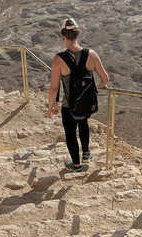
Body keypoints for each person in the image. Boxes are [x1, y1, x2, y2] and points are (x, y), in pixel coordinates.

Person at [47, 18, 110, 171]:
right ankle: (86, 154)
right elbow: (105, 79)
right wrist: (92, 89)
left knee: (70, 133)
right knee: (83, 123)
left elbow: (54, 88)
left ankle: (76, 165)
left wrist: (51, 107)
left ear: (63, 37)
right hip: (86, 103)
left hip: (69, 104)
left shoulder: (59, 59)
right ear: (78, 35)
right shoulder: (92, 54)